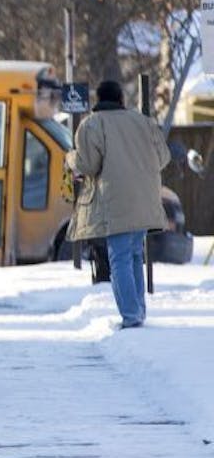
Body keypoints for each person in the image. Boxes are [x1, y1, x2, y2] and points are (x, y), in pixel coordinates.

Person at [66, 80, 170, 328]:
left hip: (116, 201)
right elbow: (163, 158)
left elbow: (87, 164)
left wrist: (70, 159)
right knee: (135, 255)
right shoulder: (144, 122)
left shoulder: (92, 124)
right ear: (121, 99)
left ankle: (131, 316)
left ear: (97, 100)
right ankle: (138, 311)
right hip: (146, 199)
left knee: (120, 258)